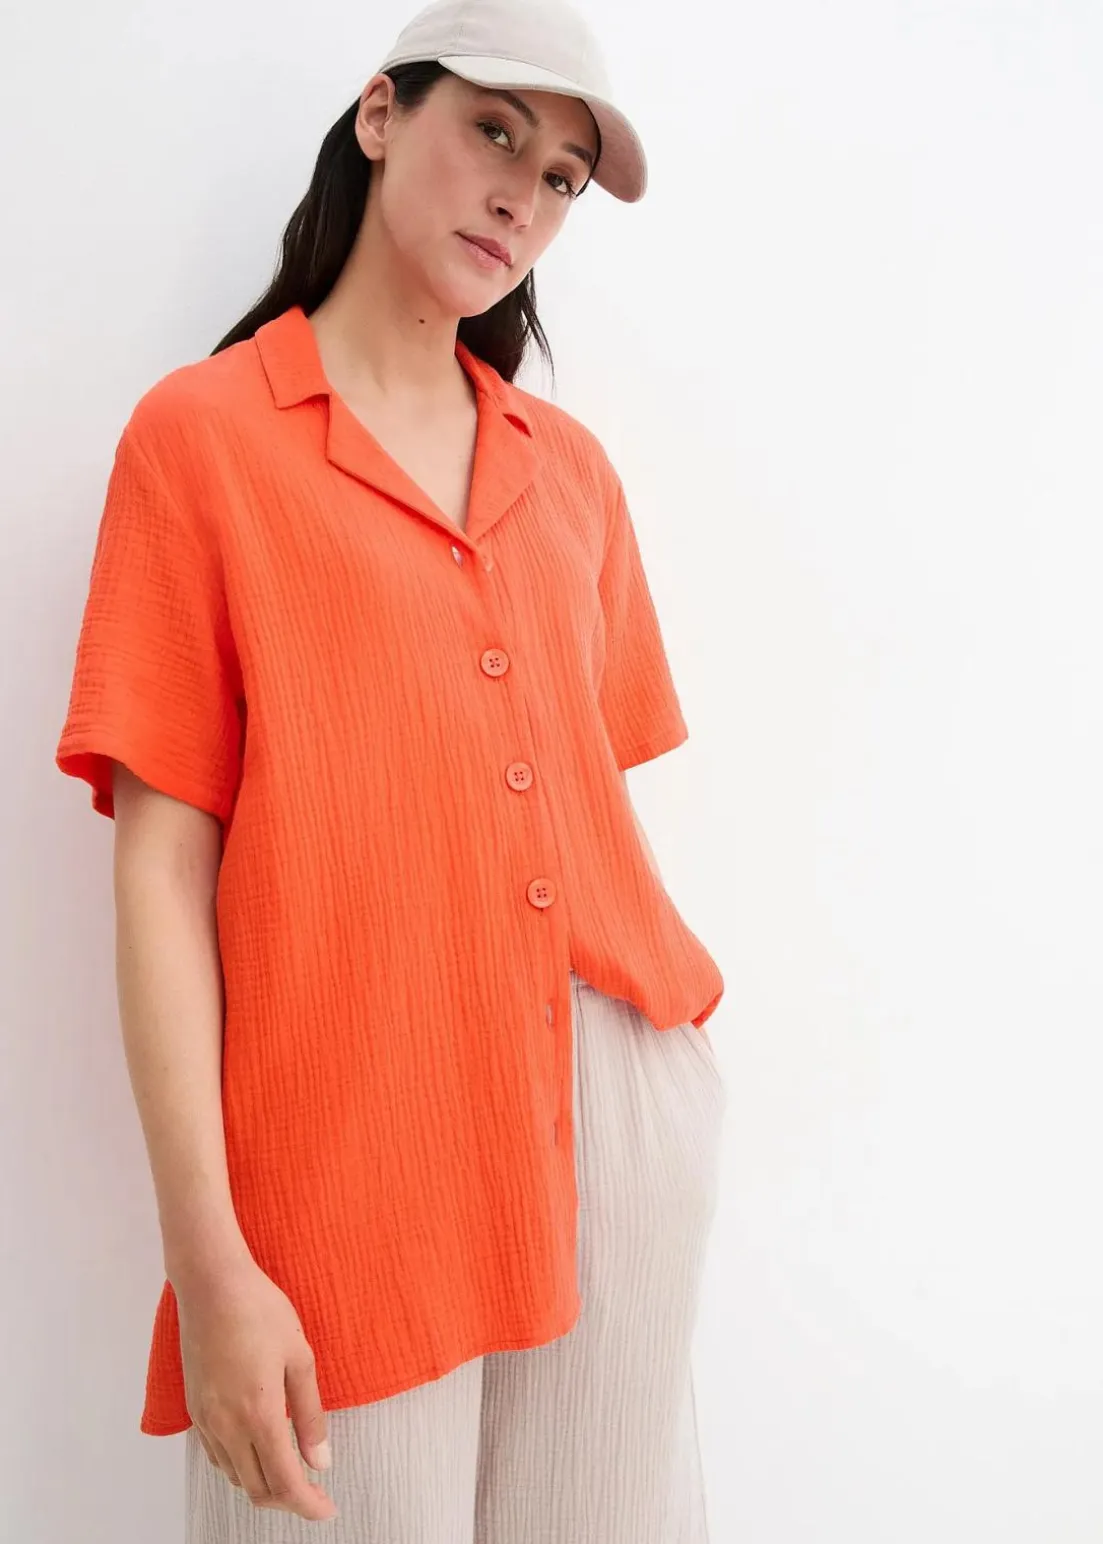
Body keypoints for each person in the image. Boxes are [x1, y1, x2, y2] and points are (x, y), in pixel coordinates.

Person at [55, 0, 727, 1537]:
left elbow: (587, 813)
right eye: (494, 130)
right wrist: (209, 1265)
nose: (521, 195)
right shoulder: (203, 440)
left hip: (607, 1106)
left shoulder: (570, 476)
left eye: (559, 178)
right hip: (351, 1131)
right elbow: (162, 869)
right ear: (379, 117)